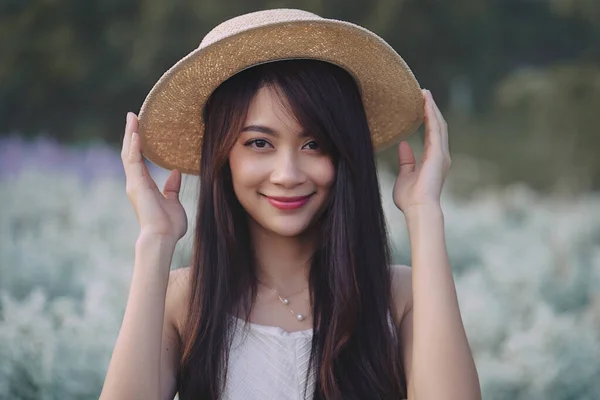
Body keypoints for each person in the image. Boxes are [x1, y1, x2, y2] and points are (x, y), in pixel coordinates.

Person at [100, 9, 481, 400]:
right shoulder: (184, 301)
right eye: (259, 143)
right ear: (222, 155)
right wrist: (155, 240)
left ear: (344, 154)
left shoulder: (398, 297)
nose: (287, 174)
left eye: (314, 144)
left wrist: (424, 214)